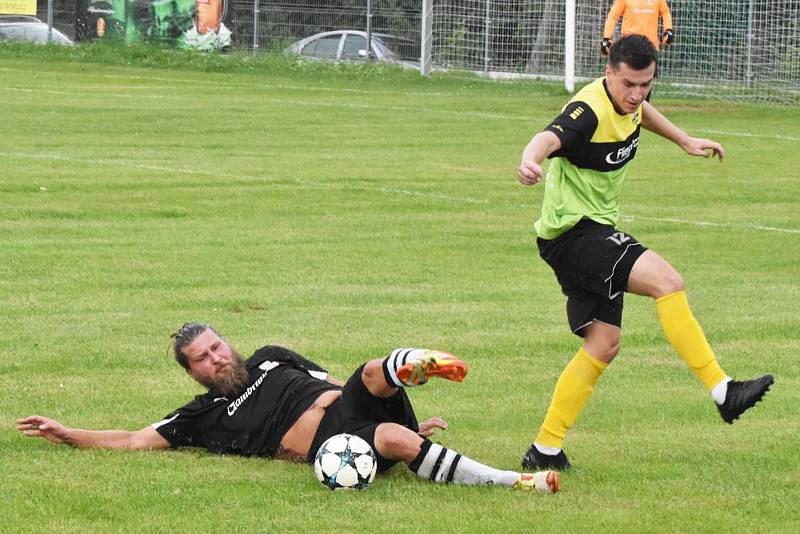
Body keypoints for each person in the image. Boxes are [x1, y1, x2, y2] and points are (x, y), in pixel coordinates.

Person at [516, 34, 773, 471]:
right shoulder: (587, 110)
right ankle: (722, 390)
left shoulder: (631, 102)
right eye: (629, 84)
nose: (637, 94)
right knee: (667, 281)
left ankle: (545, 449)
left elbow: (641, 114)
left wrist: (683, 139)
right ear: (609, 72)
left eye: (646, 84)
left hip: (590, 232)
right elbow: (549, 137)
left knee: (604, 343)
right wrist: (530, 160)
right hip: (574, 236)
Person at [17, 322, 560, 493]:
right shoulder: (200, 417)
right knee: (396, 443)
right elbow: (135, 440)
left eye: (217, 346)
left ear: (227, 344)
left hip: (350, 406)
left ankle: (414, 363)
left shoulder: (272, 359)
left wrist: (403, 410)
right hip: (332, 447)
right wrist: (68, 433)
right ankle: (514, 482)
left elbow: (334, 378)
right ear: (192, 373)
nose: (216, 357)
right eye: (203, 359)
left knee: (372, 372)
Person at [601, 0, 674, 56]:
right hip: (629, 46)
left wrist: (668, 29)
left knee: (646, 74)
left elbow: (665, 12)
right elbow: (612, 16)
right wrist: (607, 38)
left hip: (651, 46)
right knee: (629, 74)